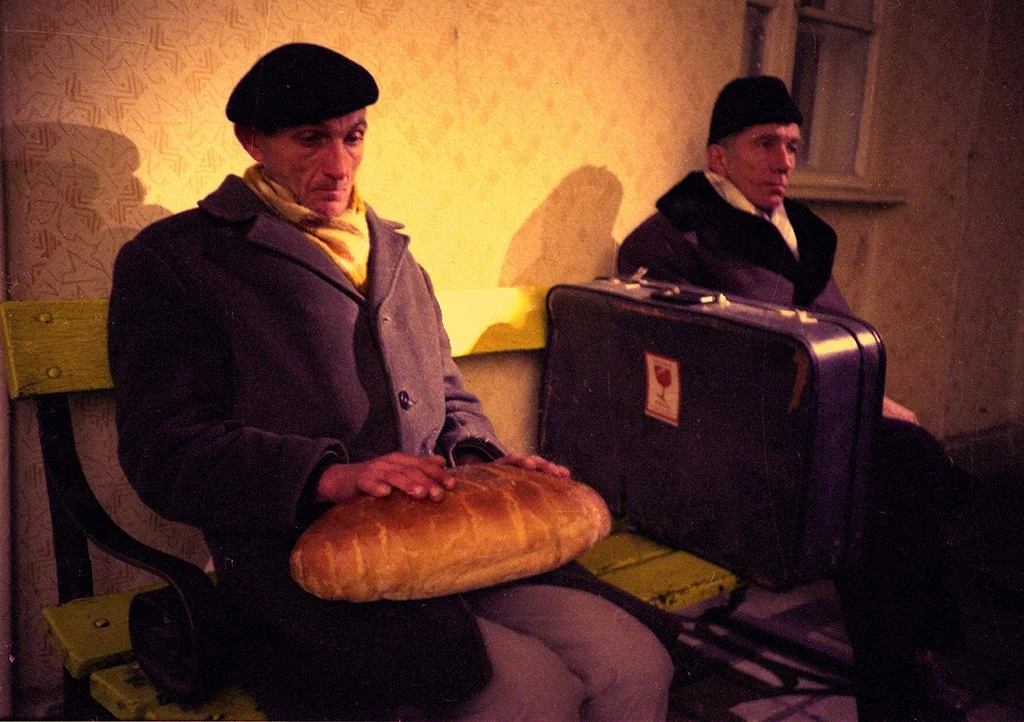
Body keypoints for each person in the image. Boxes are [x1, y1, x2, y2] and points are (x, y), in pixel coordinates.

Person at [108, 42, 676, 721]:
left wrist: (481, 463)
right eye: (311, 140)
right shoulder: (178, 259)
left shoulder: (393, 253)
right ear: (251, 140)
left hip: (440, 535)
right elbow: (167, 452)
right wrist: (329, 476)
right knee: (529, 693)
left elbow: (447, 391)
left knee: (635, 664)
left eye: (353, 137)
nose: (339, 165)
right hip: (299, 565)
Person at [618, 76, 966, 721]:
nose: (784, 162)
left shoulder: (797, 232)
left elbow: (838, 335)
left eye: (793, 146)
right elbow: (701, 375)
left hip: (814, 430)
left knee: (894, 479)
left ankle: (901, 672)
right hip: (733, 446)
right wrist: (856, 410)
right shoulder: (671, 239)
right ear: (717, 158)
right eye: (765, 143)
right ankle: (908, 670)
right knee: (903, 472)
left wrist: (871, 396)